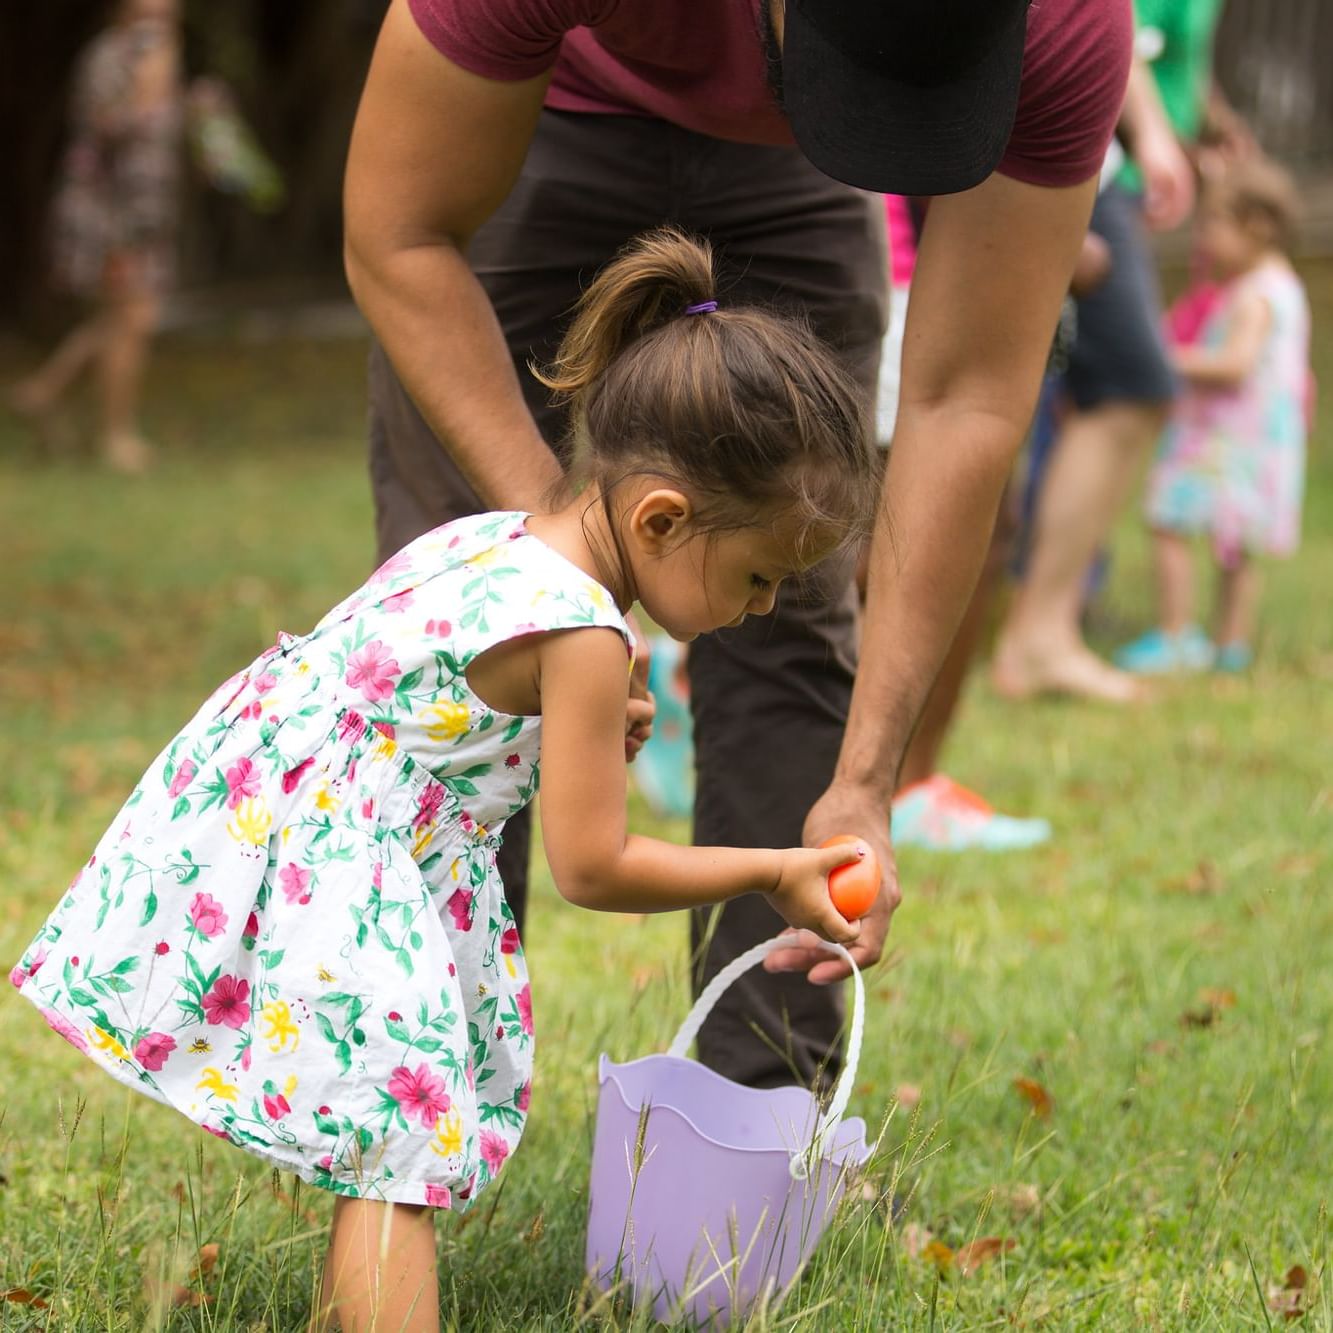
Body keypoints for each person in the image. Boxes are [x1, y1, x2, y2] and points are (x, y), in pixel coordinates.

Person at [11, 230, 878, 1332]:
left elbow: (437, 699)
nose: (761, 609)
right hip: (336, 857)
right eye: (760, 578)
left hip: (273, 811)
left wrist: (567, 726)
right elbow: (594, 867)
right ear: (662, 516)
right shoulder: (586, 635)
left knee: (388, 1126)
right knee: (401, 1142)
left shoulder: (506, 539)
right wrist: (780, 868)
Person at [345, 0, 1132, 1090]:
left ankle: (753, 1117)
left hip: (795, 176)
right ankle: (396, 1099)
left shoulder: (1070, 24)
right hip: (545, 109)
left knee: (787, 576)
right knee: (468, 623)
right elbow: (399, 232)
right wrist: (569, 570)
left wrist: (866, 779)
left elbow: (965, 396)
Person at [992, 5, 1220, 703]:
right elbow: (1102, 16)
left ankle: (1043, 629)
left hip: (1086, 155)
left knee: (1120, 389)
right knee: (1127, 384)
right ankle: (1033, 635)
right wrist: (1149, 130)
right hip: (1072, 148)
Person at [1116, 160, 1310, 674]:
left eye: (1213, 224)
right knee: (1237, 547)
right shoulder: (1285, 287)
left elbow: (1235, 366)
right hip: (1260, 443)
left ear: (1258, 227)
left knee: (1166, 521)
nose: (1201, 237)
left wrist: (1165, 355)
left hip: (1221, 439)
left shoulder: (1255, 297)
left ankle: (1178, 635)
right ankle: (1231, 646)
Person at [8, 0, 184, 473]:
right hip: (111, 214)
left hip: (149, 213)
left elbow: (164, 139)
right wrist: (148, 93)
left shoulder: (167, 54)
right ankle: (116, 437)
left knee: (126, 317)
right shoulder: (109, 57)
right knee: (132, 317)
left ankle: (45, 390)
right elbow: (105, 133)